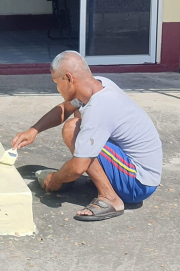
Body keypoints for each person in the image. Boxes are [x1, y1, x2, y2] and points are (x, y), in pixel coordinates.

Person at [11, 51, 162, 222]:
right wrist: (34, 130)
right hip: (132, 170)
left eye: (56, 82)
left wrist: (56, 179)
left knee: (72, 129)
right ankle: (106, 181)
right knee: (77, 116)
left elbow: (77, 167)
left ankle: (110, 198)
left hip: (139, 183)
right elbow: (65, 108)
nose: (57, 89)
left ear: (69, 78)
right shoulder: (99, 85)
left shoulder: (98, 107)